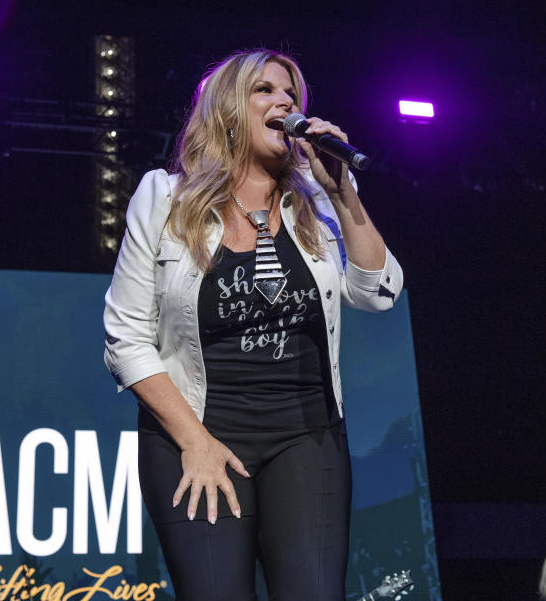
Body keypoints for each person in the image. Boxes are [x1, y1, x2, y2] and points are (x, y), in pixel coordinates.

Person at [103, 48, 404, 600]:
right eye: (265, 90)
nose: (285, 102)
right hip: (197, 435)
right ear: (226, 110)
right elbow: (125, 339)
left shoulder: (317, 197)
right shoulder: (164, 199)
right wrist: (194, 441)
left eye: (291, 94)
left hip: (306, 435)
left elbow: (378, 292)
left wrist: (342, 191)